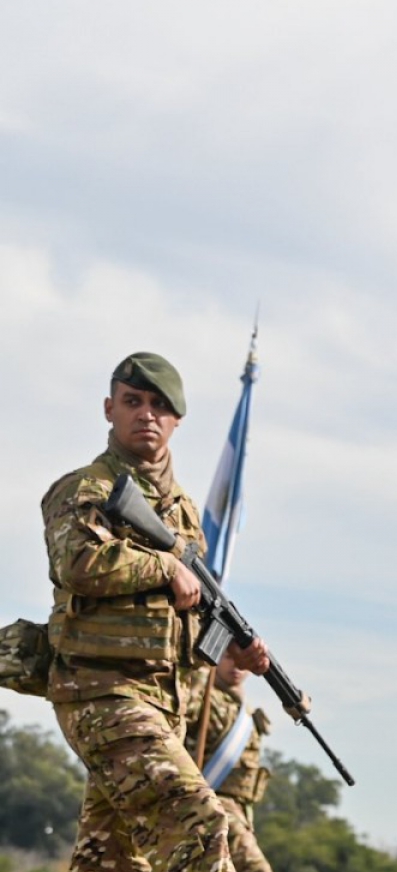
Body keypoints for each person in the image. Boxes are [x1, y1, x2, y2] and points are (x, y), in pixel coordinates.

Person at [41, 353, 271, 872]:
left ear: (177, 421)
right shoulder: (84, 489)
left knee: (113, 860)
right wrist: (163, 566)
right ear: (109, 409)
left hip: (160, 703)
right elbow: (77, 562)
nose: (147, 414)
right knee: (201, 824)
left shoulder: (185, 512)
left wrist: (233, 647)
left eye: (160, 406)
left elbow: (181, 614)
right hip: (101, 693)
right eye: (133, 402)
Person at [180, 652, 273, 872]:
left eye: (243, 659)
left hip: (241, 811)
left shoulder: (245, 710)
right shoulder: (203, 695)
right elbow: (183, 711)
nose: (236, 665)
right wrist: (202, 670)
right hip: (213, 804)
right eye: (229, 656)